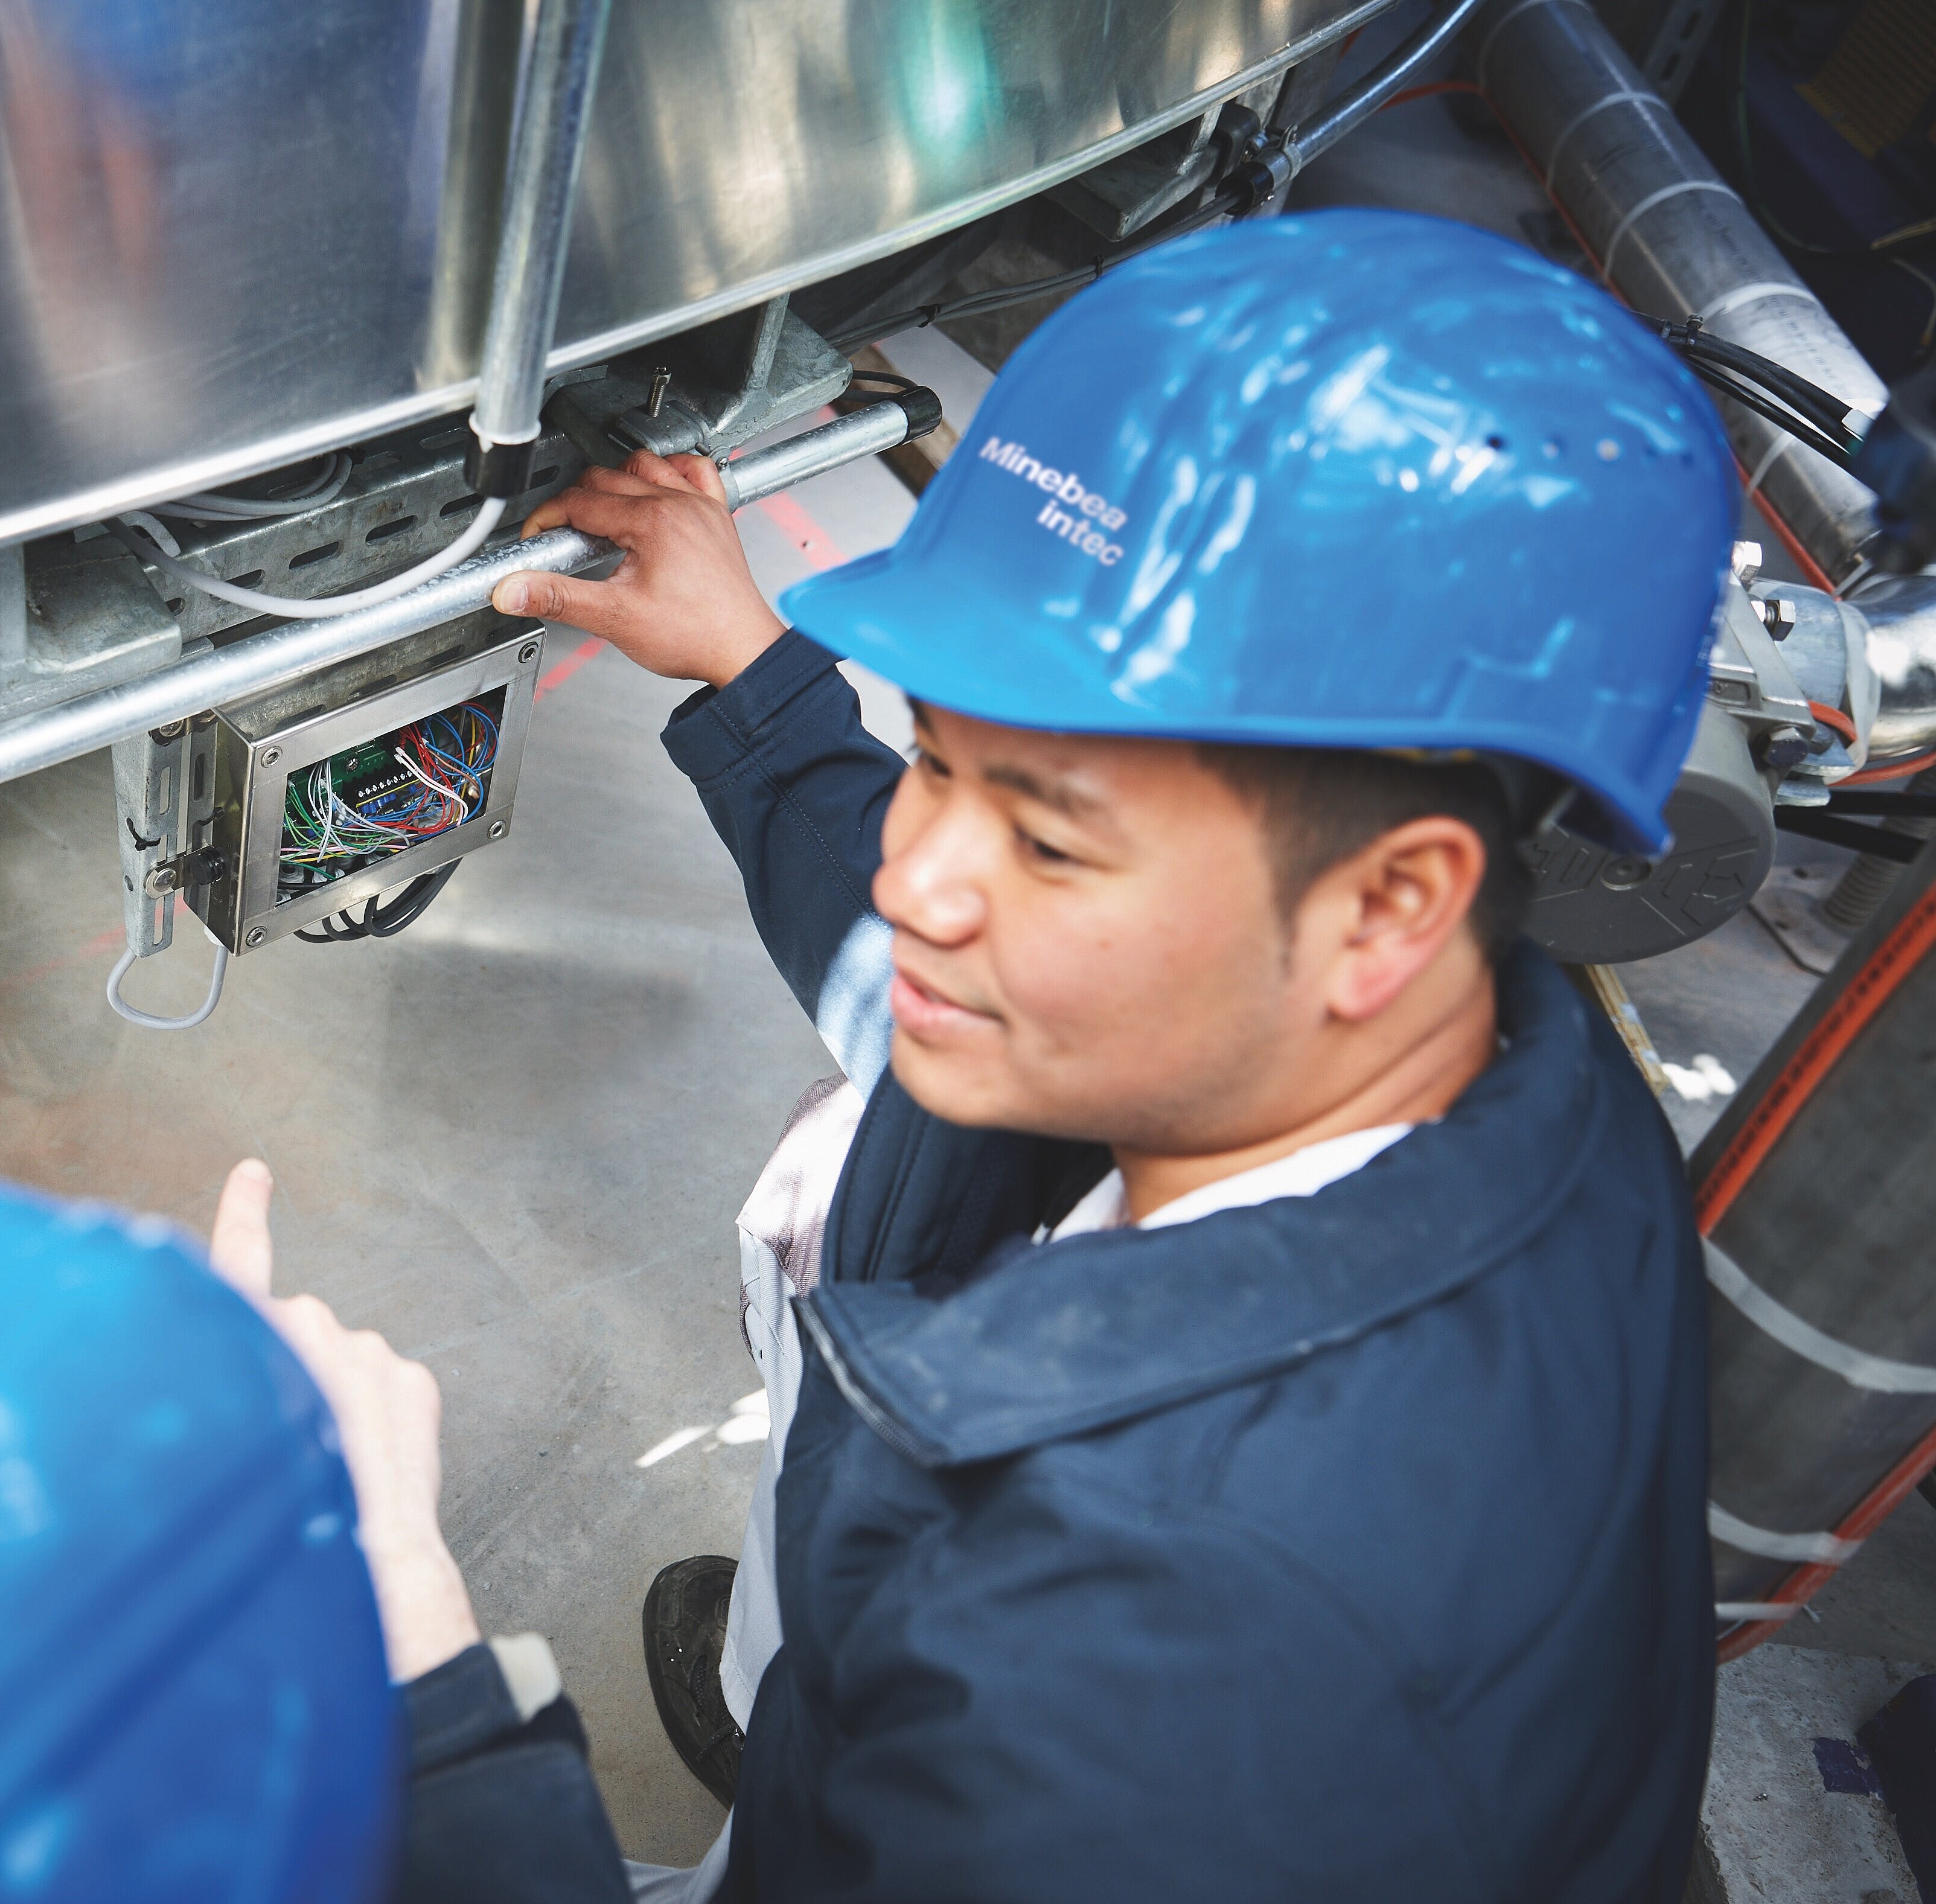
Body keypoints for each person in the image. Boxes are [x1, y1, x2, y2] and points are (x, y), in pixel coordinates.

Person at [208, 209, 1722, 1901]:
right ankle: (795, 1718)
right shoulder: (1522, 1083)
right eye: (938, 754)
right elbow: (926, 949)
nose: (926, 879)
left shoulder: (1115, 1705)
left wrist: (415, 1660)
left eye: (1052, 843)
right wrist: (759, 680)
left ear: (1387, 904)